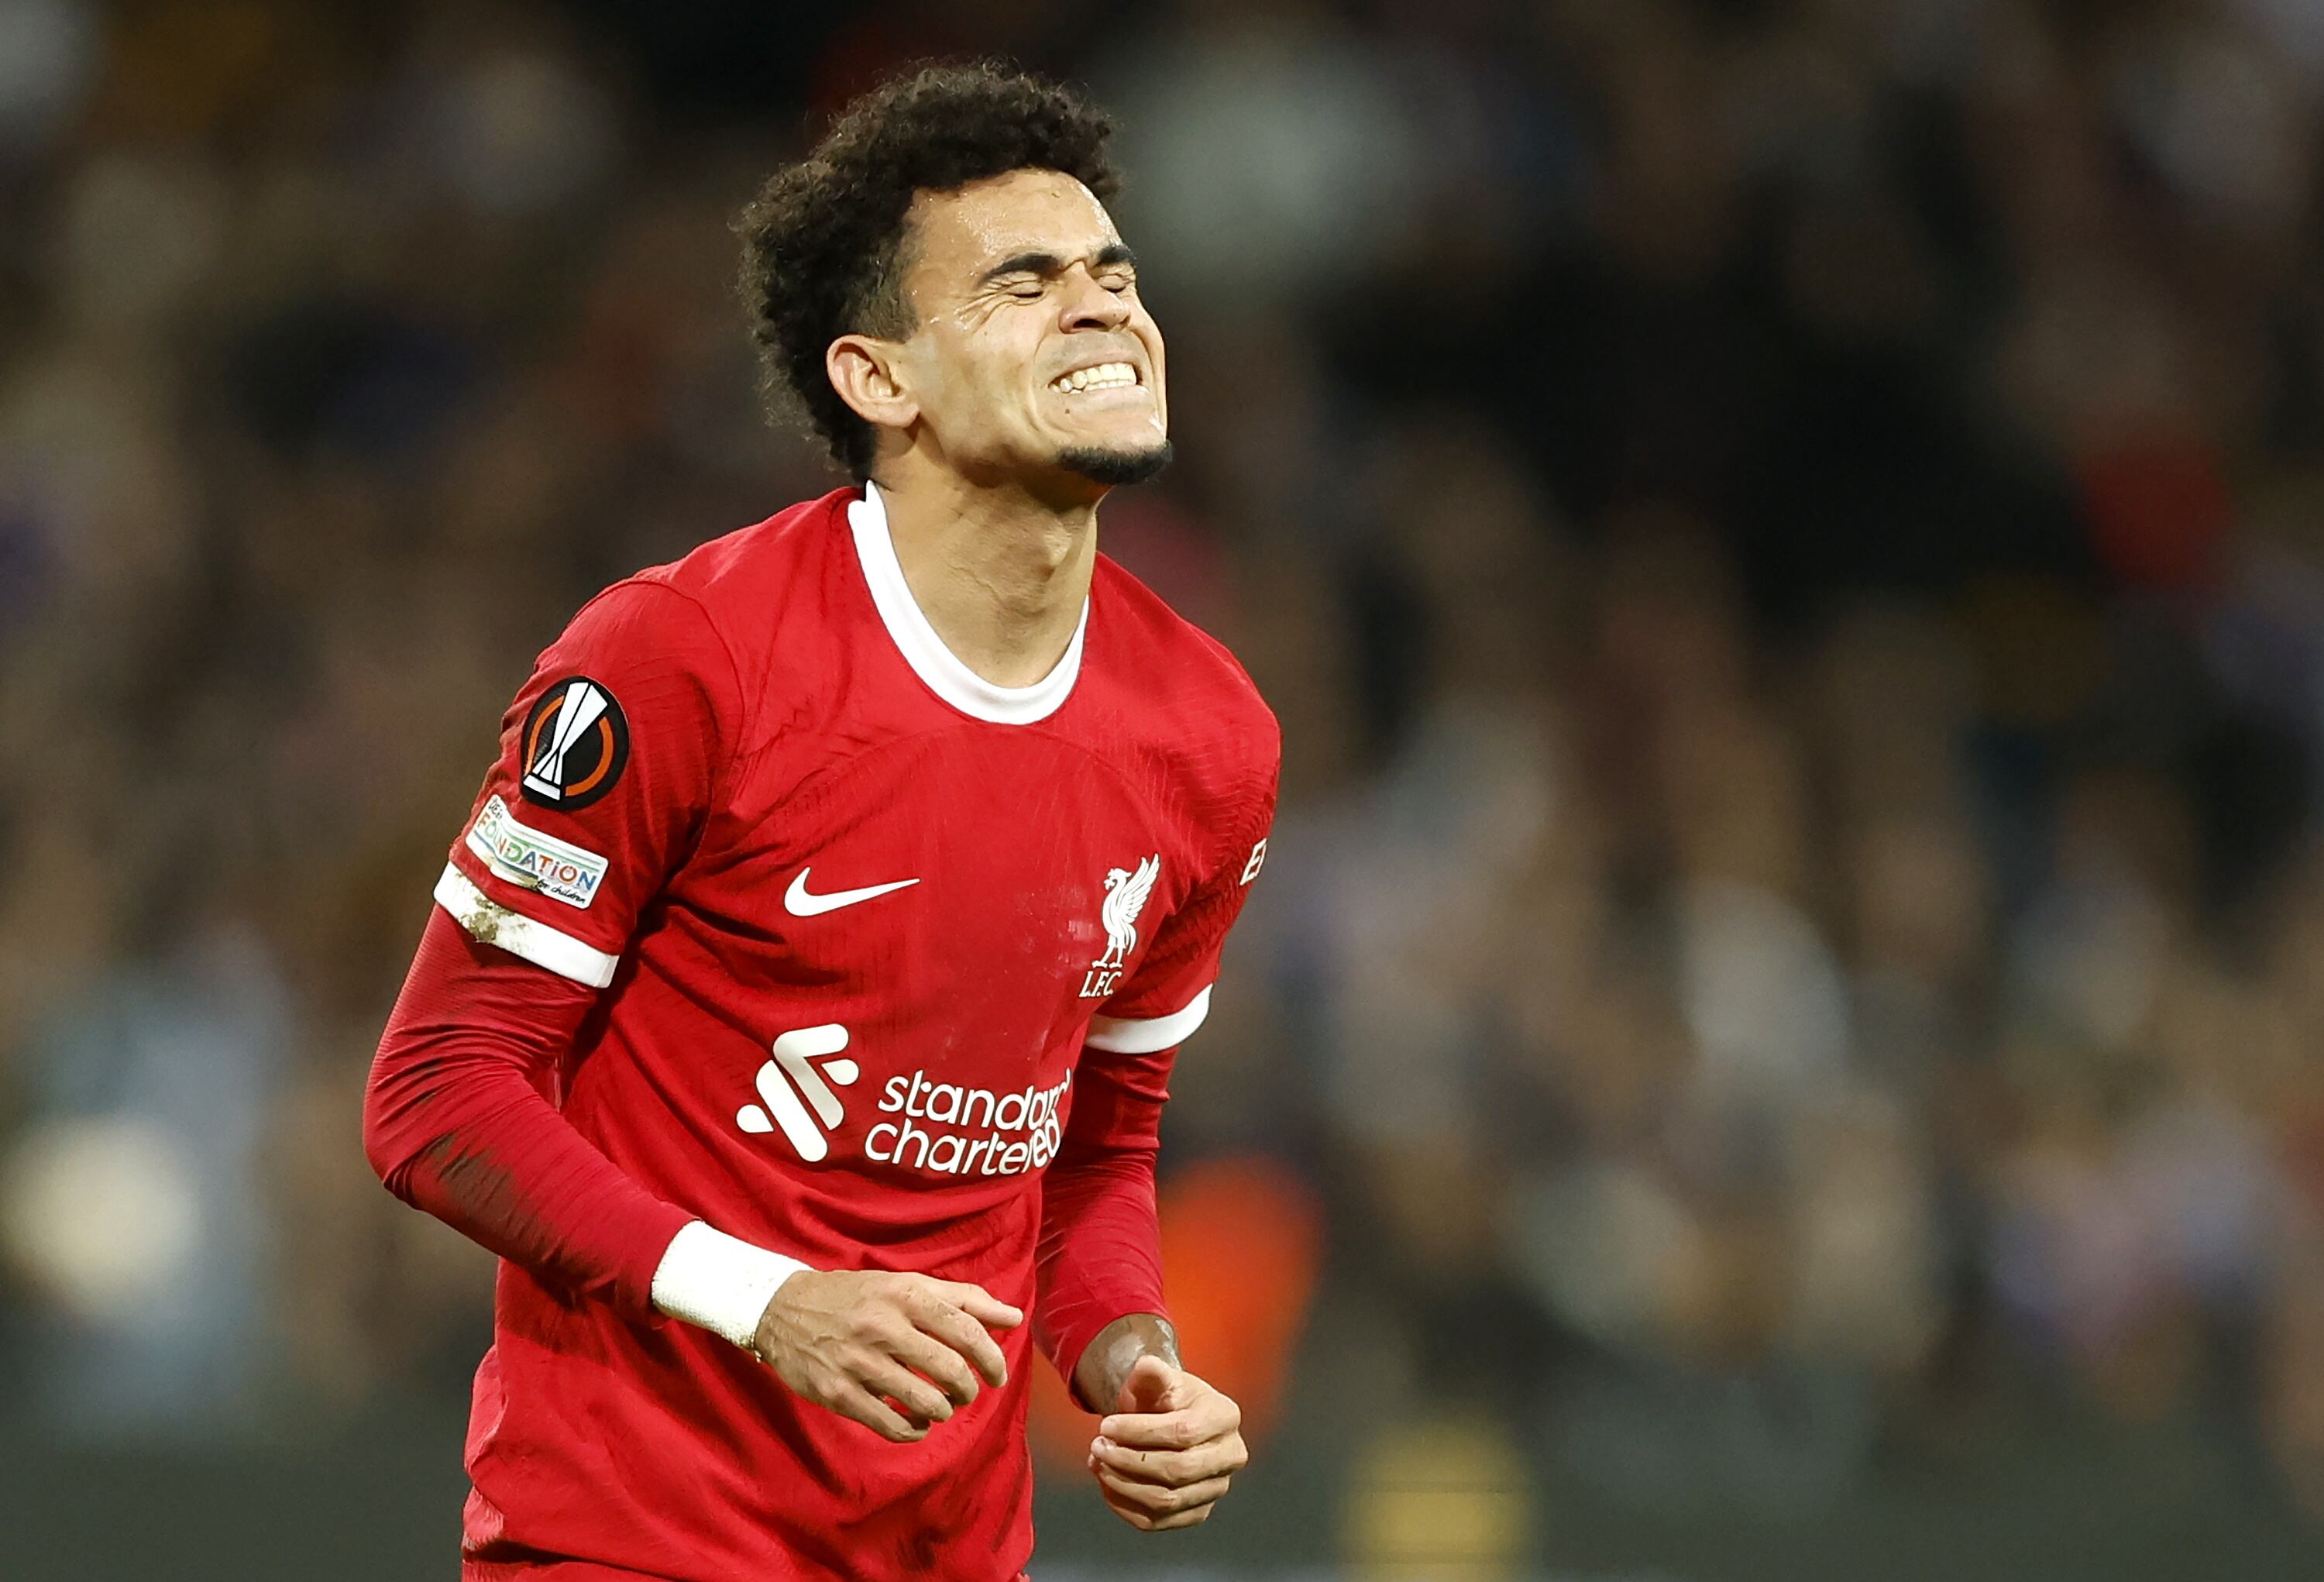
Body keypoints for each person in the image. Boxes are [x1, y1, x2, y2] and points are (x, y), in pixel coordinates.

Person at [361, 60, 1278, 1582]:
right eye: (1026, 282)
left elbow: (1095, 1156)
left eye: (1116, 273)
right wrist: (763, 1297)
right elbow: (439, 1092)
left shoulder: (1211, 735)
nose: (1105, 306)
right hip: (634, 1535)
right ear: (879, 377)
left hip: (946, 1548)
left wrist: (1129, 1361)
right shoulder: (686, 655)